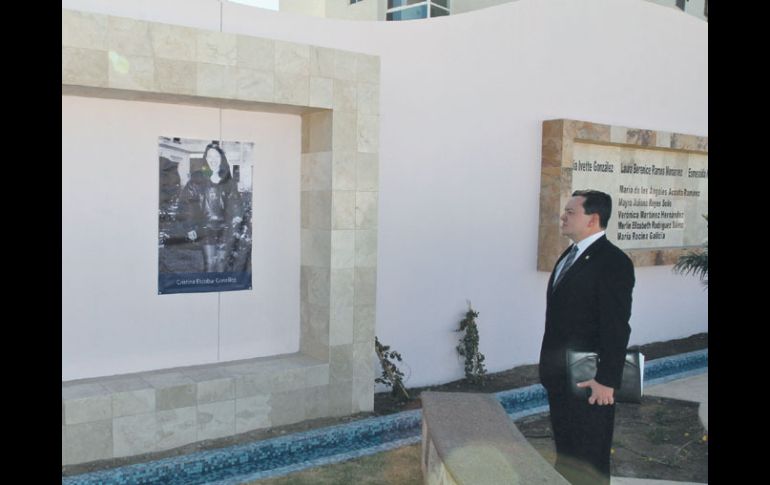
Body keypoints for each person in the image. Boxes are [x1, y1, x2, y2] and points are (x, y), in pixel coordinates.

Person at [538, 189, 635, 485]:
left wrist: (607, 380)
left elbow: (616, 327)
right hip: (560, 376)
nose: (563, 216)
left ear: (593, 219)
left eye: (571, 212)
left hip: (590, 381)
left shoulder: (613, 262)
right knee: (568, 455)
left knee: (589, 458)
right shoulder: (571, 254)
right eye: (565, 211)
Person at [177, 141, 244, 273]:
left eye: (217, 156)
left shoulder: (227, 180)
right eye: (210, 156)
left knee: (221, 265)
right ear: (206, 158)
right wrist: (190, 226)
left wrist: (237, 214)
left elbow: (235, 200)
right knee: (210, 264)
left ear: (221, 158)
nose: (213, 160)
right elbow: (187, 203)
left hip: (226, 228)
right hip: (205, 228)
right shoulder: (198, 178)